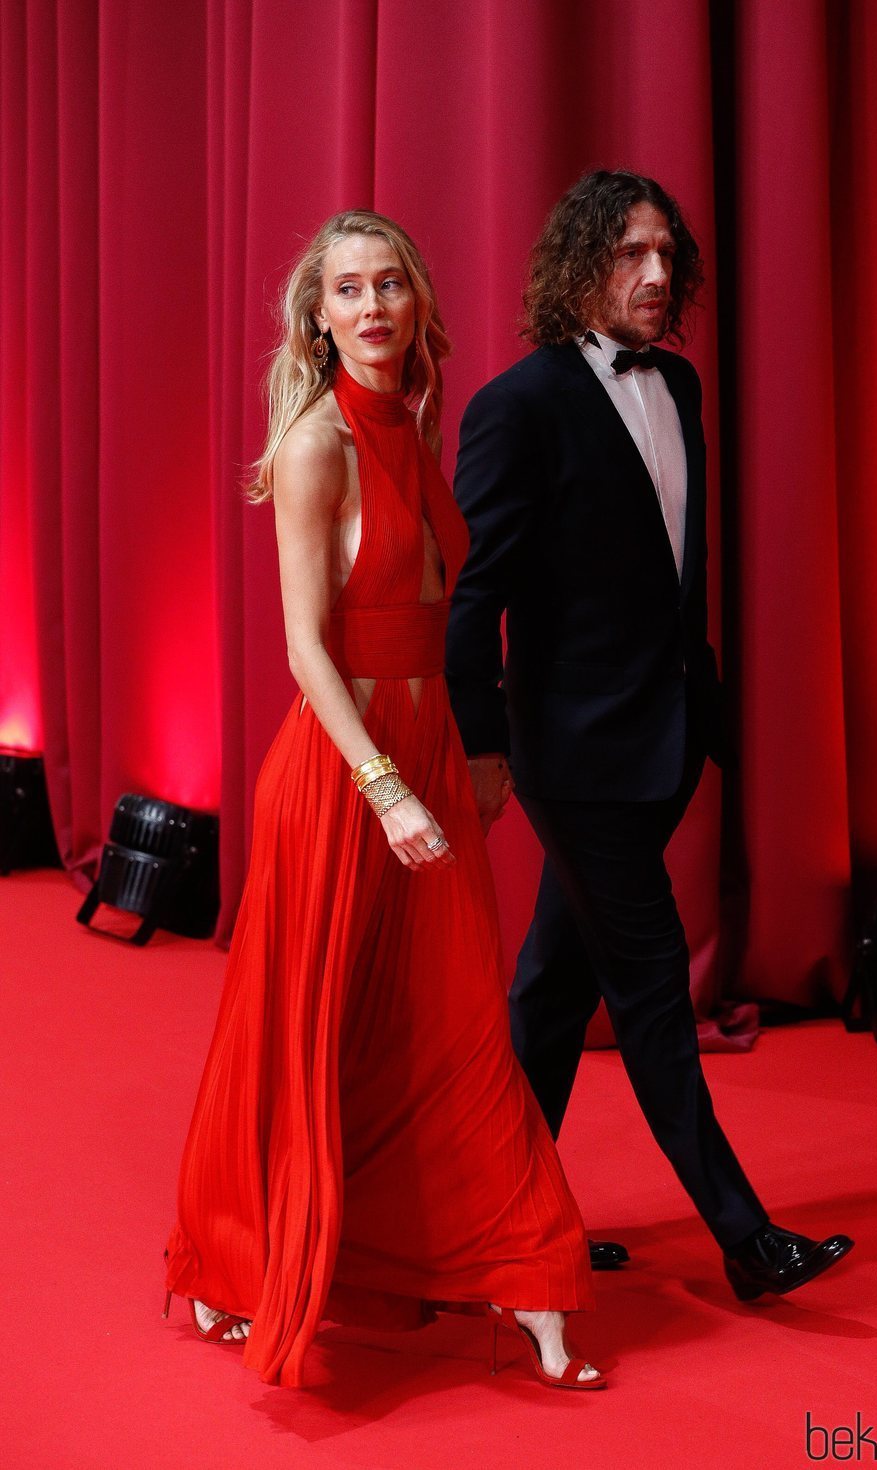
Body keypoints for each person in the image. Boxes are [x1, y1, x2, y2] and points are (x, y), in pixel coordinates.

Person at [163, 210, 604, 1391]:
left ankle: (517, 1267)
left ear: (415, 303)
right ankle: (242, 1253)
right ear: (319, 315)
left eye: (389, 285)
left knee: (451, 1022)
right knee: (297, 1025)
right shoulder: (316, 444)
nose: (370, 308)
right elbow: (307, 648)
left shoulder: (414, 424)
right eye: (347, 290)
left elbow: (445, 616)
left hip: (425, 758)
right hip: (342, 770)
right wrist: (387, 788)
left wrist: (467, 750)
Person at [446, 170, 854, 1299]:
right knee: (650, 989)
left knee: (547, 991)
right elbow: (471, 595)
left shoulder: (676, 384)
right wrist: (482, 743)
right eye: (629, 252)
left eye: (666, 252)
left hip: (666, 741)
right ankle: (744, 1239)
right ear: (579, 265)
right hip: (570, 755)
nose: (656, 273)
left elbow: (678, 579)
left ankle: (493, 1218)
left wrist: (701, 706)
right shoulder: (517, 405)